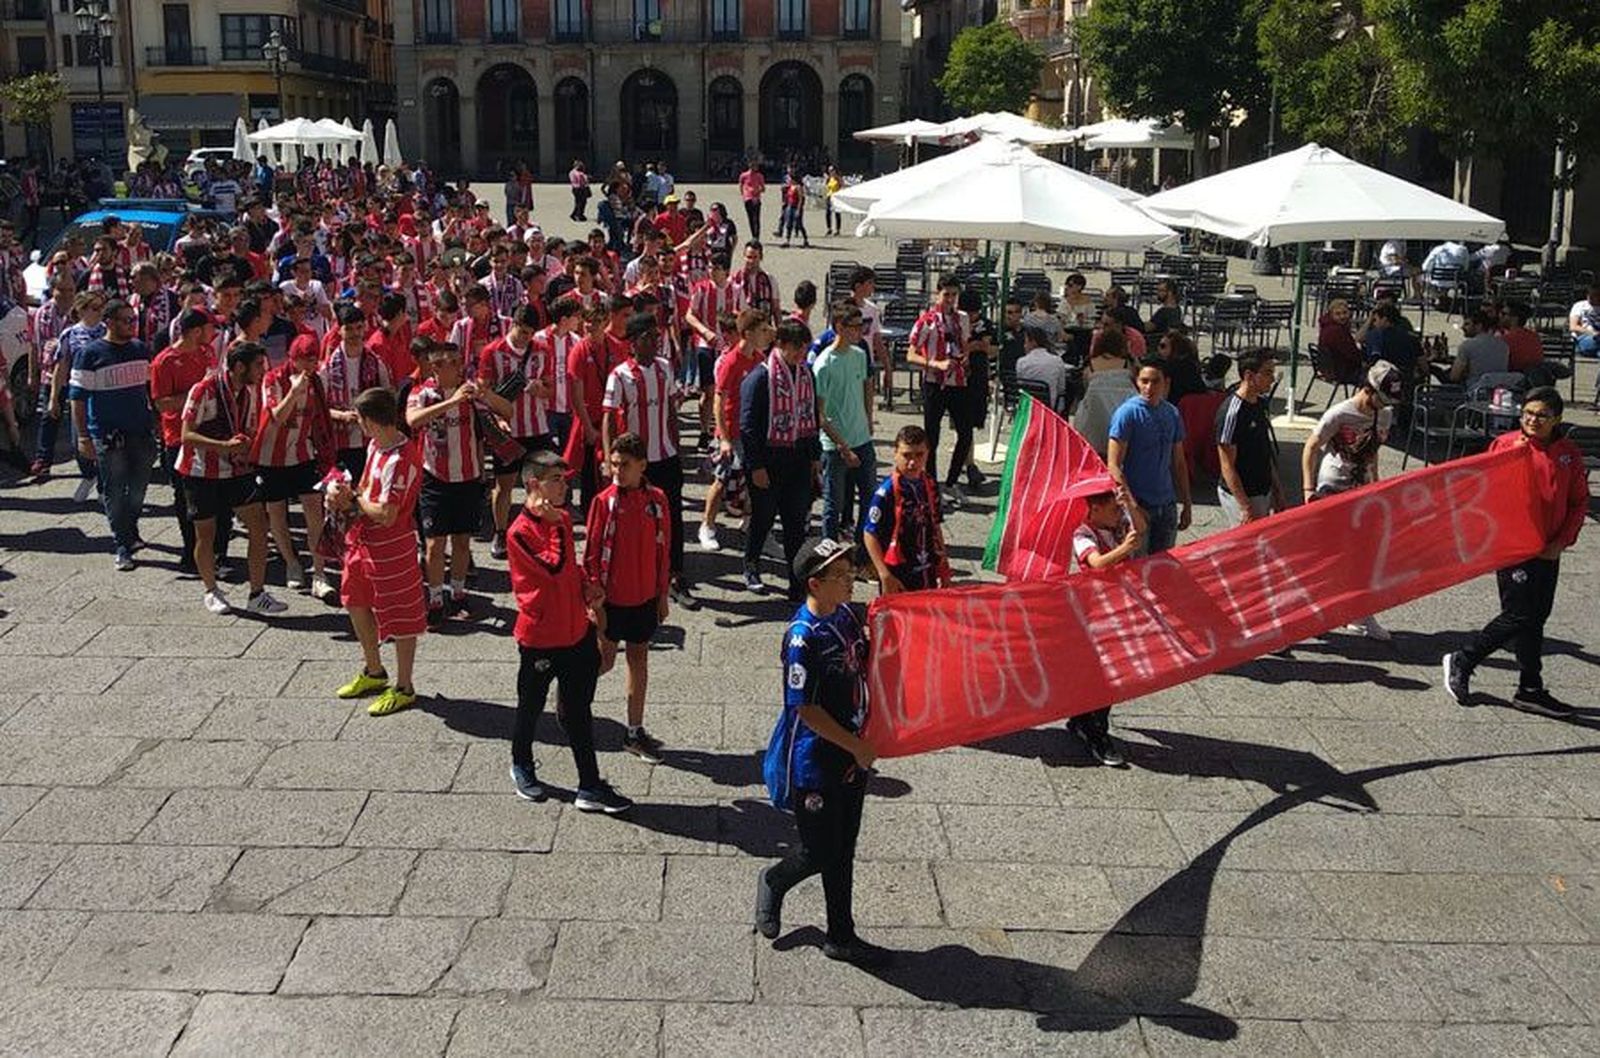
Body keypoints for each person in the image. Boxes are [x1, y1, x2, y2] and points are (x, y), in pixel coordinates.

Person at [757, 537, 889, 968]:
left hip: (853, 752)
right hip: (816, 760)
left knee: (844, 845)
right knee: (819, 849)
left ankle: (841, 934)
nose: (851, 578)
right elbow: (806, 710)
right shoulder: (801, 639)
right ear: (815, 584)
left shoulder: (846, 618)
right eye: (841, 574)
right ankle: (775, 879)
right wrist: (856, 746)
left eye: (851, 570)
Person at [1442, 387, 1588, 716]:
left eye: (1541, 416)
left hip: (1549, 549)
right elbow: (1486, 492)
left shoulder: (1567, 453)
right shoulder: (1507, 445)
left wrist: (1561, 541)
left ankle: (1530, 688)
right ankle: (1464, 658)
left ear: (1557, 419)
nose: (1533, 421)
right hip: (1515, 547)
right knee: (1519, 614)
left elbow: (1579, 501)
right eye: (1528, 414)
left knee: (1536, 618)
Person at [506, 448, 633, 812]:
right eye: (556, 480)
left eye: (565, 479)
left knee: (579, 711)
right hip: (540, 638)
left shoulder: (559, 519)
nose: (565, 486)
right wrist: (555, 524)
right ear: (534, 484)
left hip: (575, 631)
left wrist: (587, 585)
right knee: (529, 707)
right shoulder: (521, 532)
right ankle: (522, 764)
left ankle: (590, 786)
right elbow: (552, 565)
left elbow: (569, 568)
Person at [328, 386, 428, 718]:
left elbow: (387, 513)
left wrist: (354, 501)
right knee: (354, 599)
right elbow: (366, 491)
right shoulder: (376, 446)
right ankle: (374, 671)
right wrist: (346, 492)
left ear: (372, 421)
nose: (359, 427)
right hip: (363, 541)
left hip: (392, 546)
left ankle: (404, 686)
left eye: (360, 420)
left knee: (400, 615)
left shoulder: (401, 458)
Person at [407, 340, 514, 626]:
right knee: (434, 545)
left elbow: (508, 411)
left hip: (467, 477)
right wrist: (451, 402)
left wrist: (488, 395)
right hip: (434, 478)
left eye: (457, 361)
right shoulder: (422, 393)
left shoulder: (471, 392)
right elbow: (413, 421)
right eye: (448, 363)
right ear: (435, 366)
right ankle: (434, 599)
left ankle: (457, 594)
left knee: (463, 542)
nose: (456, 367)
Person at [175, 341, 287, 615]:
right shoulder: (204, 390)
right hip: (200, 471)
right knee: (206, 534)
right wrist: (224, 447)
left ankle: (257, 593)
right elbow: (186, 435)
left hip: (235, 470)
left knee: (259, 527)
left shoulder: (248, 392)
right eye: (258, 365)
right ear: (239, 367)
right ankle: (211, 590)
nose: (263, 370)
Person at [1301, 360, 1405, 640]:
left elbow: (1373, 451)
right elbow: (1311, 446)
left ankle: (1361, 614)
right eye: (1381, 398)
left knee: (1365, 555)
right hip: (1332, 487)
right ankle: (1314, 613)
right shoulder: (1340, 413)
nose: (1384, 404)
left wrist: (1377, 481)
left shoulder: (1384, 414)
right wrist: (1308, 489)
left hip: (1364, 491)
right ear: (1368, 390)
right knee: (1327, 556)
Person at [585, 432, 672, 764]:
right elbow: (591, 554)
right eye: (614, 463)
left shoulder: (657, 500)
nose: (618, 470)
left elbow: (664, 551)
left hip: (645, 598)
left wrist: (662, 594)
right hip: (612, 599)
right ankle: (573, 700)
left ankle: (634, 731)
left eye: (625, 465)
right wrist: (593, 598)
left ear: (642, 466)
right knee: (603, 660)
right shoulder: (603, 502)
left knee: (639, 660)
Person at [601, 312, 697, 608]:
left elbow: (670, 410)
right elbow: (608, 418)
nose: (656, 342)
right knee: (635, 518)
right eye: (649, 338)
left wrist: (677, 445)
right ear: (634, 342)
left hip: (665, 456)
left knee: (674, 518)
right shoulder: (619, 375)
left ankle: (676, 575)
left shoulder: (665, 368)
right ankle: (637, 576)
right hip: (637, 463)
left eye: (657, 337)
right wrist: (609, 459)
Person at [66, 297, 156, 570]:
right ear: (109, 322)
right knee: (115, 490)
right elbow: (77, 399)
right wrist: (83, 437)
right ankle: (122, 543)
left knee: (139, 487)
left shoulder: (141, 349)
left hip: (141, 432)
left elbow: (149, 389)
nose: (131, 325)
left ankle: (130, 529)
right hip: (108, 435)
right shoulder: (90, 354)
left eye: (133, 320)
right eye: (126, 320)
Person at [740, 317, 822, 600]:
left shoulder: (806, 375)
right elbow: (748, 427)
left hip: (797, 460)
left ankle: (796, 581)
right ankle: (751, 562)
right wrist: (756, 466)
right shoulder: (760, 378)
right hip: (769, 460)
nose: (801, 354)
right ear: (781, 345)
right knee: (763, 519)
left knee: (795, 523)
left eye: (804, 348)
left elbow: (811, 416)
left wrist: (814, 458)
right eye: (796, 348)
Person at [1068, 484, 1147, 766]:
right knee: (1105, 672)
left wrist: (1130, 504)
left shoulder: (1118, 522)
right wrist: (1124, 549)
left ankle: (1082, 718)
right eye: (1114, 509)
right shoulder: (1083, 534)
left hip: (1119, 607)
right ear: (1095, 509)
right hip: (1094, 613)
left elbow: (1141, 527)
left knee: (1109, 670)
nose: (1119, 514)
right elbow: (1097, 562)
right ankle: (1097, 731)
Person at [255, 334, 335, 599]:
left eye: (315, 359)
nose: (312, 365)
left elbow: (320, 416)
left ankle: (319, 572)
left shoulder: (316, 380)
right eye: (306, 360)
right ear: (294, 358)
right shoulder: (273, 379)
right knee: (276, 511)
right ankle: (291, 562)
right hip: (271, 456)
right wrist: (294, 391)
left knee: (315, 510)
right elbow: (275, 416)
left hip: (303, 454)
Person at [479, 304, 555, 559]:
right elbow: (483, 392)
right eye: (521, 331)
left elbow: (550, 389)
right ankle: (500, 532)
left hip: (537, 427)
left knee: (541, 483)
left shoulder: (542, 351)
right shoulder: (493, 352)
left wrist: (539, 390)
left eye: (529, 333)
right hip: (508, 428)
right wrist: (496, 419)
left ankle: (537, 529)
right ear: (512, 325)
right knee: (504, 484)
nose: (525, 337)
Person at [149, 308, 216, 572]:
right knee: (185, 499)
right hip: (178, 438)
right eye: (209, 328)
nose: (213, 334)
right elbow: (162, 403)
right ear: (196, 331)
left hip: (208, 434)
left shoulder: (206, 353)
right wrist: (195, 393)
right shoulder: (164, 361)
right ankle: (190, 552)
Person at [1107, 358, 1190, 554]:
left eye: (1155, 381)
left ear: (1166, 383)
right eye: (1144, 381)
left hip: (1167, 504)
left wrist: (1186, 502)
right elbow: (1113, 465)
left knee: (1162, 568)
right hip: (1139, 505)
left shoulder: (1172, 413)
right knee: (1138, 570)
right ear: (1137, 381)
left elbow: (1179, 462)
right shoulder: (1127, 414)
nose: (1149, 387)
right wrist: (1132, 507)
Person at [701, 309, 766, 552]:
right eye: (762, 330)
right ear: (747, 334)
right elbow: (719, 401)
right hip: (730, 431)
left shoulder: (759, 359)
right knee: (721, 480)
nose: (765, 334)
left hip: (750, 432)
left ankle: (749, 526)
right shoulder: (731, 361)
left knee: (752, 483)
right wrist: (724, 438)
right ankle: (707, 526)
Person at [907, 275, 973, 504]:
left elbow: (965, 345)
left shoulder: (962, 319)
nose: (950, 300)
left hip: (957, 381)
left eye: (954, 295)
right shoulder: (927, 320)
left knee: (966, 433)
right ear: (938, 294)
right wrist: (935, 364)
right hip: (934, 382)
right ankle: (932, 485)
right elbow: (911, 354)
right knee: (931, 437)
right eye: (947, 295)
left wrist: (964, 359)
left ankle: (952, 482)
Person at [863, 424, 952, 595]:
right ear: (895, 453)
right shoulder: (886, 492)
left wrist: (943, 564)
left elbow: (935, 525)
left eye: (919, 455)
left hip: (927, 568)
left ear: (928, 453)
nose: (912, 462)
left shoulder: (930, 484)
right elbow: (869, 533)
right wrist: (884, 574)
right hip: (899, 572)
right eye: (906, 455)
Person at [813, 301, 874, 545]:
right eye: (856, 326)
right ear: (840, 327)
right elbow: (820, 414)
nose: (861, 332)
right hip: (836, 446)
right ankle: (829, 552)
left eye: (863, 326)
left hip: (862, 439)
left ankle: (861, 554)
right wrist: (843, 446)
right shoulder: (824, 364)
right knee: (833, 504)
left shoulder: (859, 355)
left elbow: (865, 387)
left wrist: (868, 419)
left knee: (870, 500)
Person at [1215, 350, 1284, 526]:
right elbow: (1227, 465)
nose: (1272, 378)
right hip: (1244, 495)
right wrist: (1245, 506)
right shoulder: (1232, 412)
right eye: (1267, 373)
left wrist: (1277, 490)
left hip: (1263, 490)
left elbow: (1265, 450)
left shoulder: (1260, 404)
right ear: (1249, 375)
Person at [1074, 327, 1136, 456]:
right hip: (1122, 413)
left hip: (1095, 417)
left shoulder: (1091, 365)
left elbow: (1085, 389)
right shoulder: (1127, 364)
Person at [1441, 309, 1509, 387]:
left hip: (1473, 390)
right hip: (1497, 388)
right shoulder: (1503, 345)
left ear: (1478, 326)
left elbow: (1454, 377)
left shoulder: (1467, 346)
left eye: (1467, 324)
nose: (1462, 327)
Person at [1014, 324, 1071, 413]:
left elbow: (1021, 384)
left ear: (1033, 342)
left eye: (1025, 342)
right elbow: (1061, 388)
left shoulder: (1021, 362)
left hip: (1028, 405)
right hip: (1049, 406)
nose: (1024, 346)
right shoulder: (1057, 361)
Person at [1316, 298, 1365, 385]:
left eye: (1345, 313)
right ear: (1331, 315)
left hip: (1331, 370)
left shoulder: (1327, 327)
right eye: (1338, 314)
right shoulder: (1336, 331)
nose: (1342, 316)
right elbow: (1353, 355)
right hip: (1342, 372)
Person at [1566, 281, 1600, 358]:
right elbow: (1573, 327)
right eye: (1591, 295)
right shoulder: (1580, 305)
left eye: (1597, 295)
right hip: (1585, 337)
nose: (1593, 297)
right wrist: (1592, 333)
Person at [739, 160, 766, 243]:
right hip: (749, 198)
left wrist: (757, 191)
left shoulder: (759, 176)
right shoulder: (744, 175)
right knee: (752, 218)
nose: (756, 168)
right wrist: (744, 195)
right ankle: (754, 236)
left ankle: (756, 236)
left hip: (754, 198)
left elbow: (763, 188)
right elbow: (740, 185)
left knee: (754, 218)